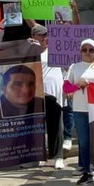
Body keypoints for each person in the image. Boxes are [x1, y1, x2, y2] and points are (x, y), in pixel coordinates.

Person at [67, 38, 94, 185]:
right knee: (84, 142)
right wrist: (77, 86)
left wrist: (91, 86)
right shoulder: (74, 67)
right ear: (80, 51)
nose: (87, 53)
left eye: (91, 50)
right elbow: (66, 89)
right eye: (84, 50)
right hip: (80, 109)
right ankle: (86, 171)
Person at [29, 25, 66, 170]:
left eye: (47, 35)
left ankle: (58, 157)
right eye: (42, 35)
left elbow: (73, 36)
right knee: (37, 127)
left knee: (56, 127)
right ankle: (38, 156)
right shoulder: (29, 52)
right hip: (36, 94)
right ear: (33, 36)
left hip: (55, 95)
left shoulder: (56, 50)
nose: (46, 38)